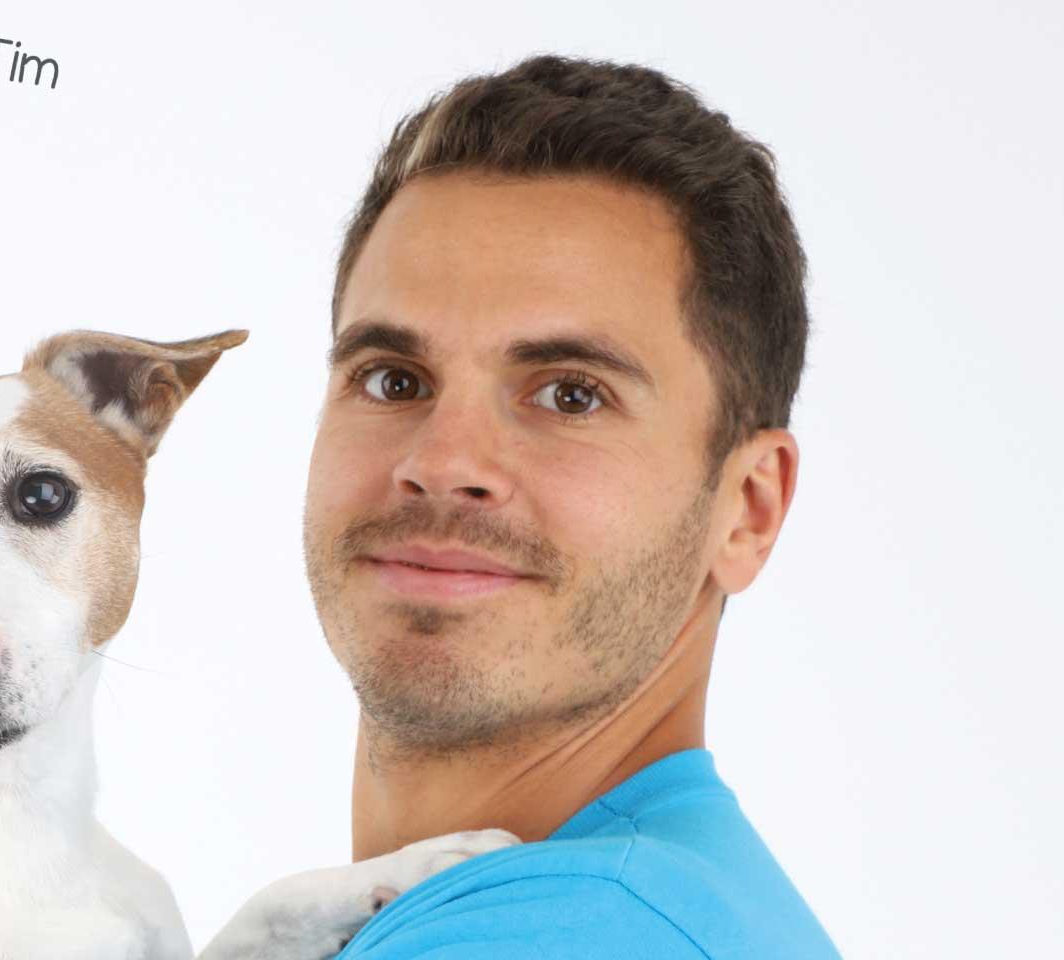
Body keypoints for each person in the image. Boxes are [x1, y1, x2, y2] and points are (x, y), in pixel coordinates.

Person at [301, 54, 841, 958]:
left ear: (747, 509)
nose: (442, 462)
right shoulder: (680, 909)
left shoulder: (568, 934)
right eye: (394, 378)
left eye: (570, 395)